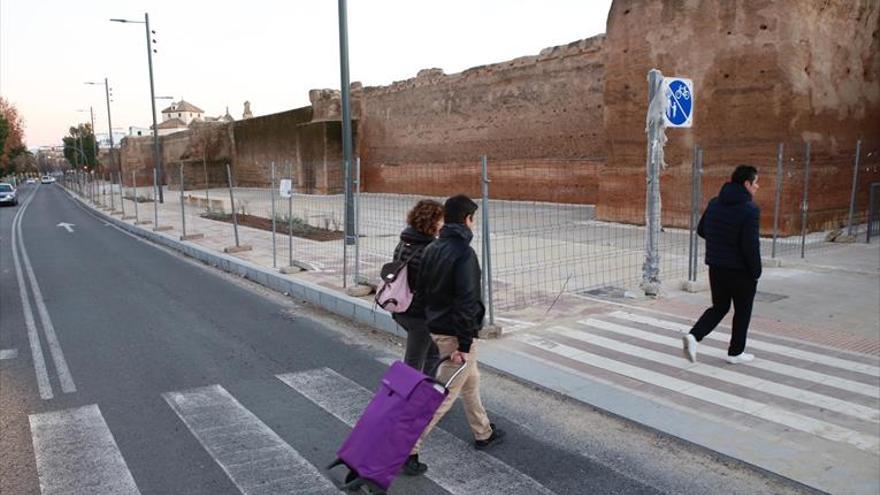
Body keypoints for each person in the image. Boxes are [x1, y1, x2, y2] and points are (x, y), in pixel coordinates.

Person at [402, 194, 505, 476]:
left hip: (437, 329)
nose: (474, 224)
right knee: (441, 395)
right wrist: (465, 343)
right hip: (456, 337)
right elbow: (467, 302)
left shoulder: (433, 248)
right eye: (473, 219)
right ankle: (408, 449)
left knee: (471, 380)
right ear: (468, 219)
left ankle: (483, 432)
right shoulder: (463, 253)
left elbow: (421, 293)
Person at [683, 165, 762, 365]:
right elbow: (750, 246)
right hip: (741, 271)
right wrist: (756, 271)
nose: (757, 187)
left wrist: (720, 241)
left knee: (719, 306)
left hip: (716, 267)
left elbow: (702, 230)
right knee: (742, 311)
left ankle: (694, 336)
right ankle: (735, 352)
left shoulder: (715, 203)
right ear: (746, 183)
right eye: (756, 183)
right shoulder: (750, 210)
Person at [392, 199, 444, 375]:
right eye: (441, 220)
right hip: (419, 316)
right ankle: (403, 400)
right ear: (432, 222)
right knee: (413, 364)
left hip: (401, 309)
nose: (443, 224)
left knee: (433, 353)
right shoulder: (430, 249)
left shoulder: (404, 242)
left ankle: (425, 396)